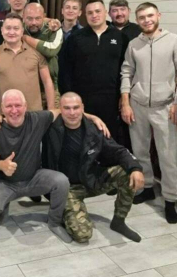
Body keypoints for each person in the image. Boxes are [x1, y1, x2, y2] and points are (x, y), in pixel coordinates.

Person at [43, 92, 144, 243]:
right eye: (67, 108)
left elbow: (118, 151)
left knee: (127, 173)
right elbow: (24, 120)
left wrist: (135, 169)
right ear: (60, 109)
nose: (72, 112)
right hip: (66, 189)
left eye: (76, 107)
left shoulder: (95, 129)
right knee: (83, 235)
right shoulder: (49, 129)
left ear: (82, 108)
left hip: (91, 180)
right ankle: (64, 212)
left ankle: (119, 221)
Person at [0, 89, 72, 242]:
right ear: (2, 108)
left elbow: (63, 111)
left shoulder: (37, 119)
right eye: (9, 106)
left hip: (33, 178)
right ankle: (3, 209)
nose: (14, 110)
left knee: (61, 181)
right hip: (5, 183)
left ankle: (54, 222)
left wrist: (93, 118)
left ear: (25, 106)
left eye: (18, 105)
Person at [120, 2, 177, 224]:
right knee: (140, 151)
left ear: (158, 15)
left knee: (168, 156)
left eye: (150, 16)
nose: (146, 20)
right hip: (137, 105)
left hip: (164, 107)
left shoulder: (173, 40)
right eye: (142, 17)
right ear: (137, 20)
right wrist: (126, 102)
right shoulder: (134, 44)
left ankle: (170, 199)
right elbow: (126, 72)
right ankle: (147, 187)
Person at [59, 0, 128, 136]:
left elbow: (126, 70)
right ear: (85, 15)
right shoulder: (75, 38)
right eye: (90, 13)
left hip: (111, 101)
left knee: (109, 138)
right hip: (83, 100)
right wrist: (68, 96)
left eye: (97, 11)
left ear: (105, 12)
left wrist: (124, 97)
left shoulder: (120, 37)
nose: (94, 15)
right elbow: (65, 70)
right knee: (83, 138)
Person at [0, 13, 55, 114]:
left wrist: (51, 112)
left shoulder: (36, 52)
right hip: (7, 115)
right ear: (2, 30)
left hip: (35, 115)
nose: (11, 32)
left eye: (16, 28)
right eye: (8, 28)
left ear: (22, 31)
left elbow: (47, 82)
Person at [22, 3, 63, 104]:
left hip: (50, 89)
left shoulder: (54, 28)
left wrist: (25, 38)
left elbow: (51, 50)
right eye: (29, 18)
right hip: (25, 90)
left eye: (38, 18)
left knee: (53, 113)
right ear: (23, 17)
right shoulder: (18, 28)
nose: (33, 22)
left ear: (44, 17)